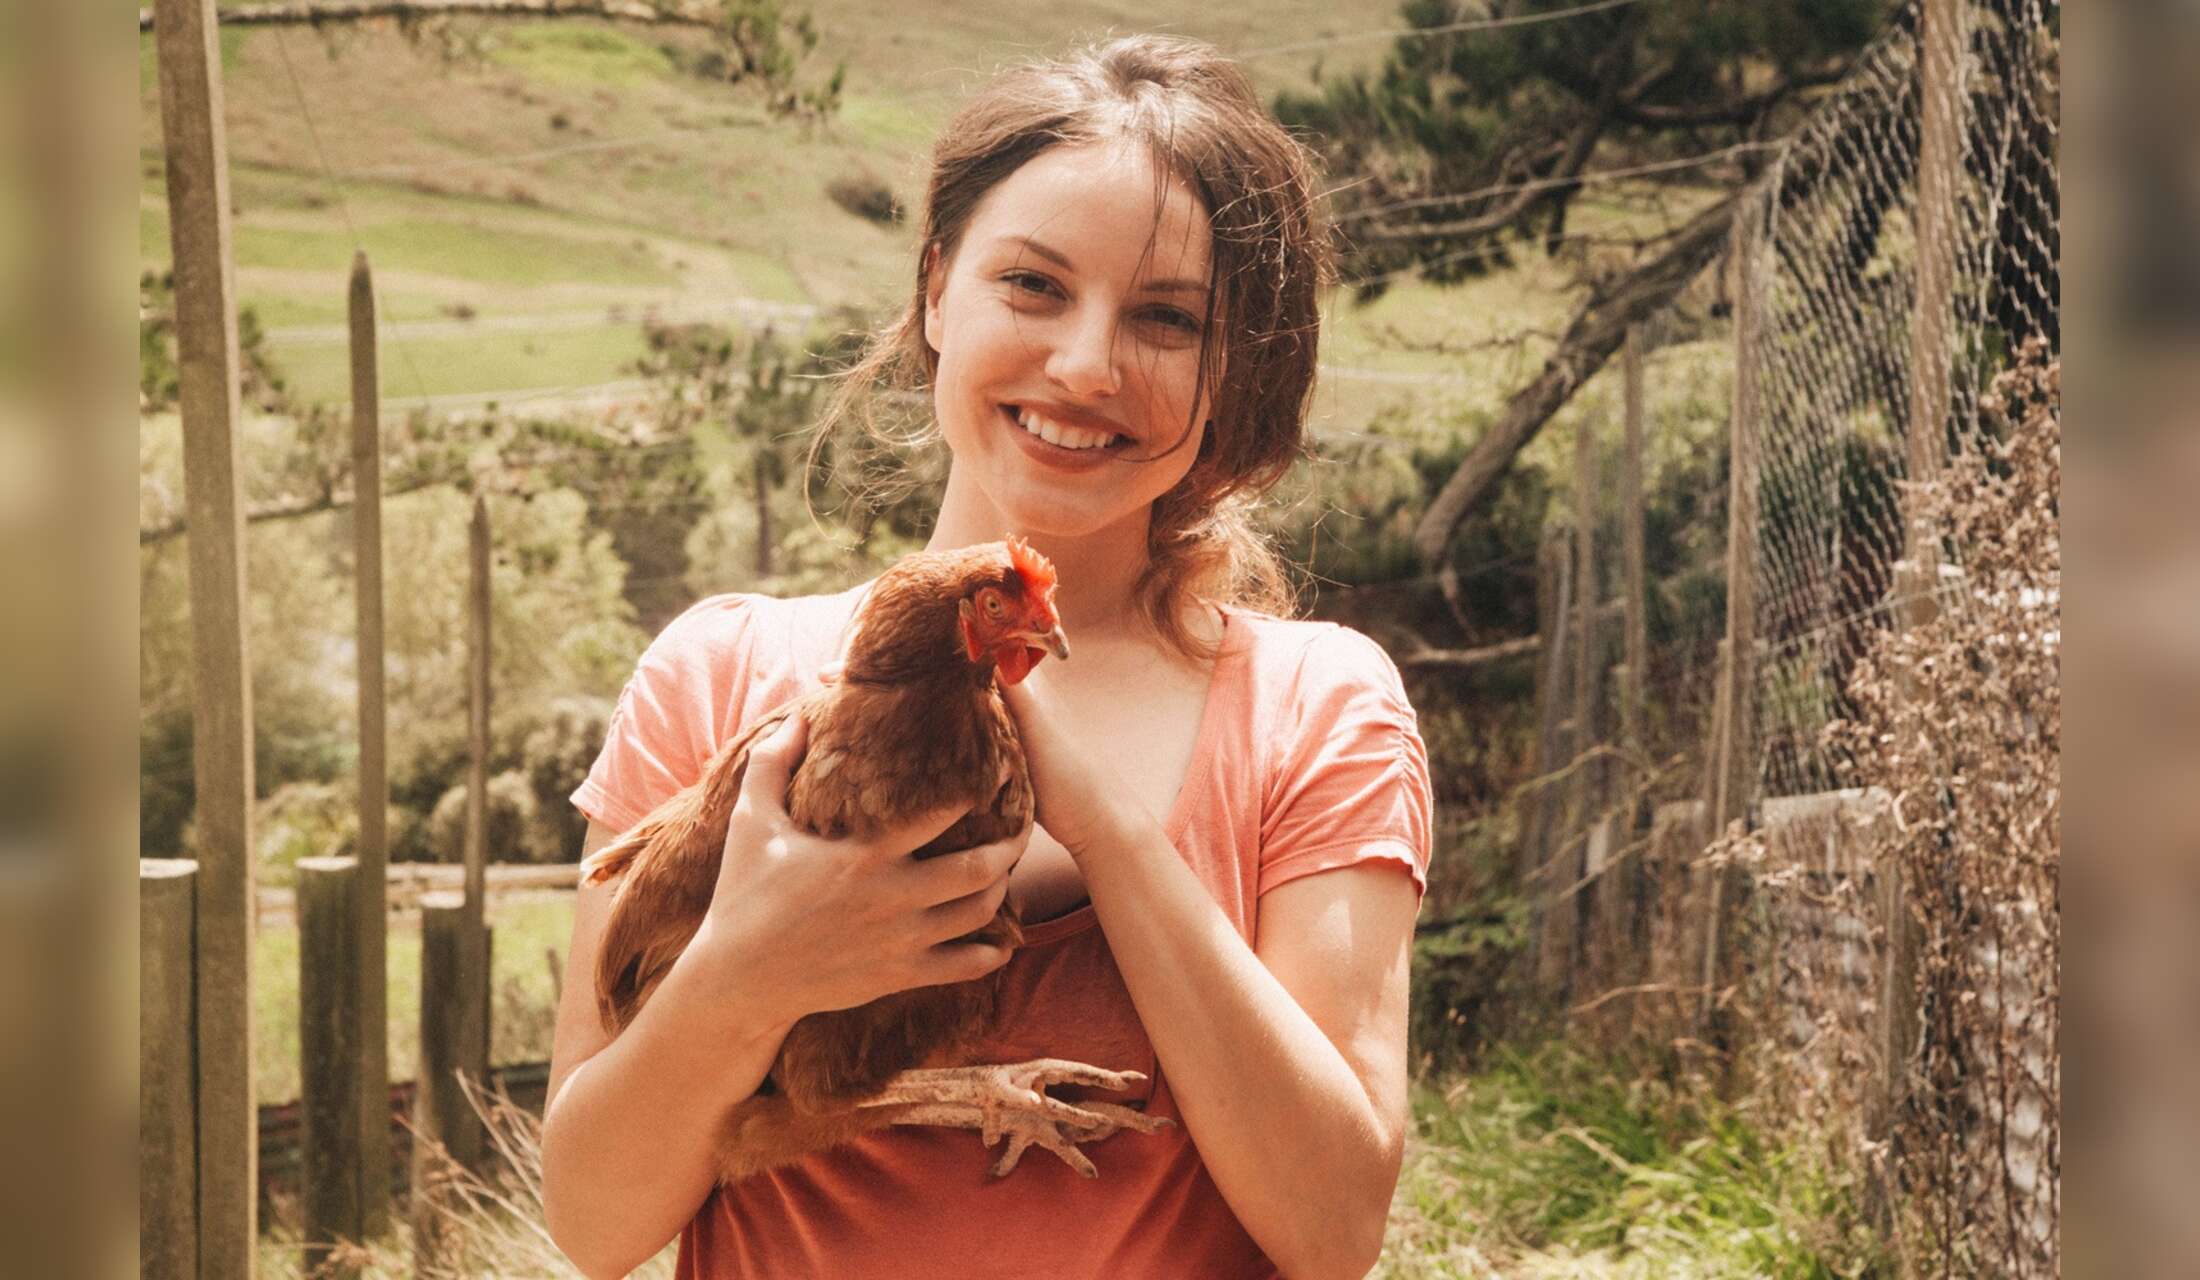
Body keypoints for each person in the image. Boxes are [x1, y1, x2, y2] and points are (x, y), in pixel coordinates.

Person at [541, 34, 1432, 1280]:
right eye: (1032, 284)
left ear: (1233, 371)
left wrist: (1105, 826)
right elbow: (590, 1221)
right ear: (934, 289)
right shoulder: (721, 674)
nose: (1086, 363)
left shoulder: (1312, 708)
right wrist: (751, 972)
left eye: (1167, 318)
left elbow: (1332, 1228)